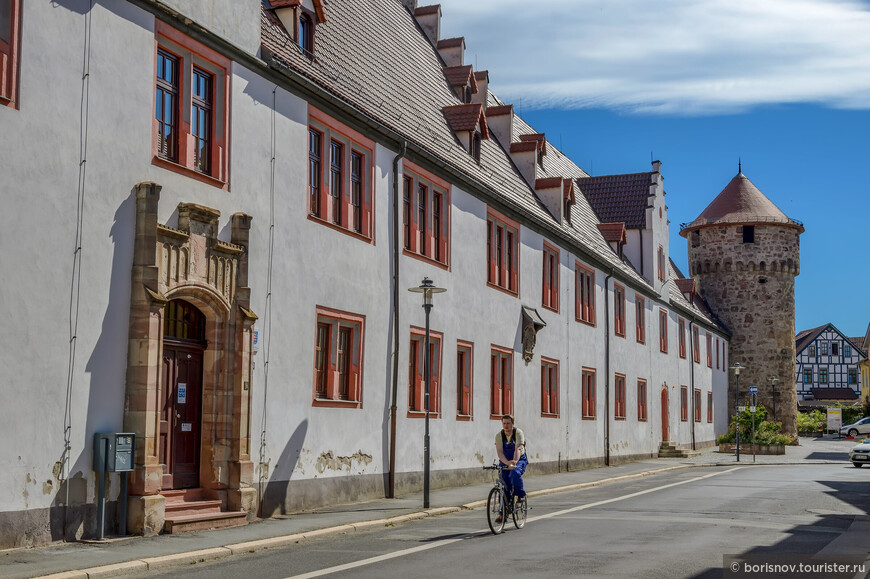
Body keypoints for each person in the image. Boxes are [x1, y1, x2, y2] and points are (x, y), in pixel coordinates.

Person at [495, 414, 527, 519]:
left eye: (508, 423)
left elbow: (518, 449)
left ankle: (520, 495)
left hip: (519, 459)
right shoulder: (499, 435)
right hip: (505, 461)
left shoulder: (518, 433)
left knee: (514, 474)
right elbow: (500, 452)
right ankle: (503, 513)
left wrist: (514, 462)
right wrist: (507, 462)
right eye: (504, 423)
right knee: (503, 485)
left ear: (512, 423)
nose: (506, 426)